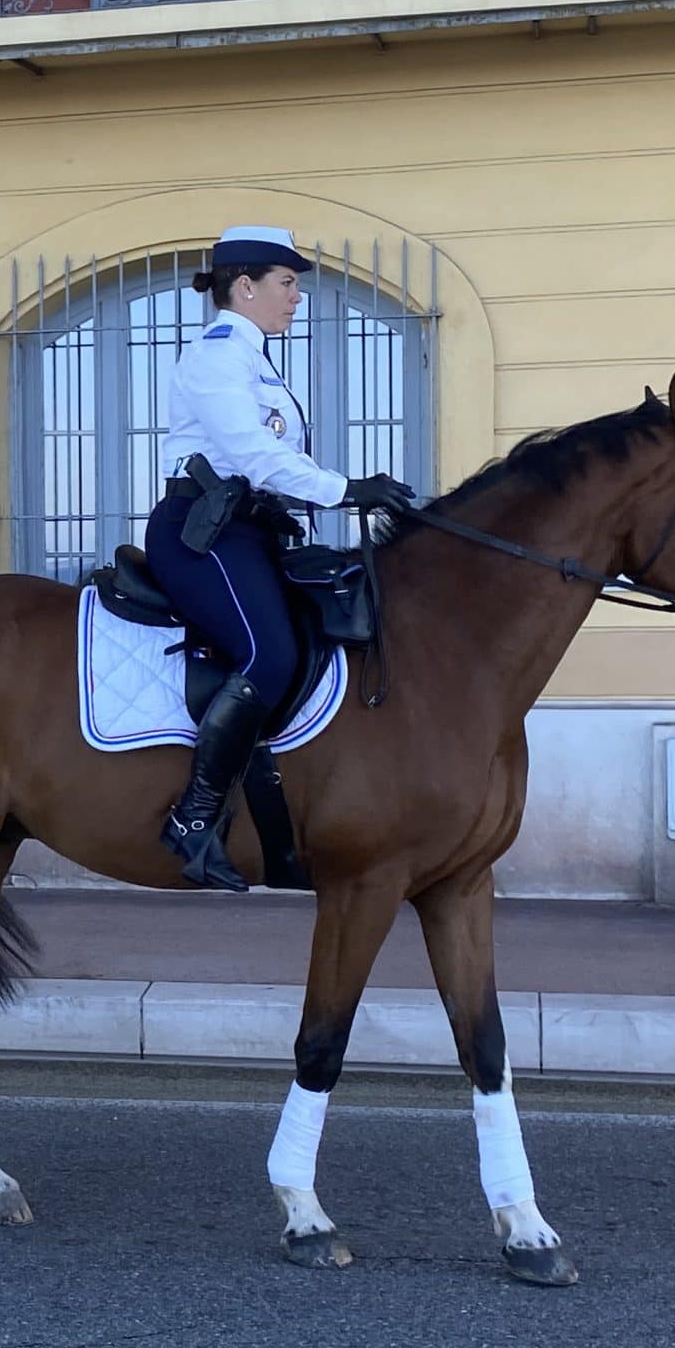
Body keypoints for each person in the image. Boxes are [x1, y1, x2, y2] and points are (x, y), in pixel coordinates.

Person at [147, 227, 415, 891]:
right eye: (287, 283)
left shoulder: (257, 360)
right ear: (245, 287)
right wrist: (346, 489)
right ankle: (194, 819)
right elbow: (256, 456)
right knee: (271, 655)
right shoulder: (217, 357)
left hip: (249, 531)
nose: (297, 297)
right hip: (200, 534)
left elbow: (273, 467)